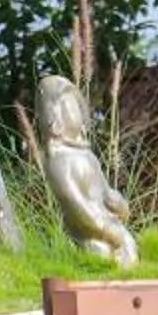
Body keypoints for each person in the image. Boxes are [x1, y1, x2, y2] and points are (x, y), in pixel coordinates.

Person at [37, 74, 136, 266]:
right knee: (100, 254)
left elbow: (104, 191)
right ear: (54, 122)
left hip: (113, 225)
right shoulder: (59, 161)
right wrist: (105, 228)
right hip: (91, 235)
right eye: (68, 104)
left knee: (130, 250)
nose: (78, 111)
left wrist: (118, 204)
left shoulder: (89, 157)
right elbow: (76, 205)